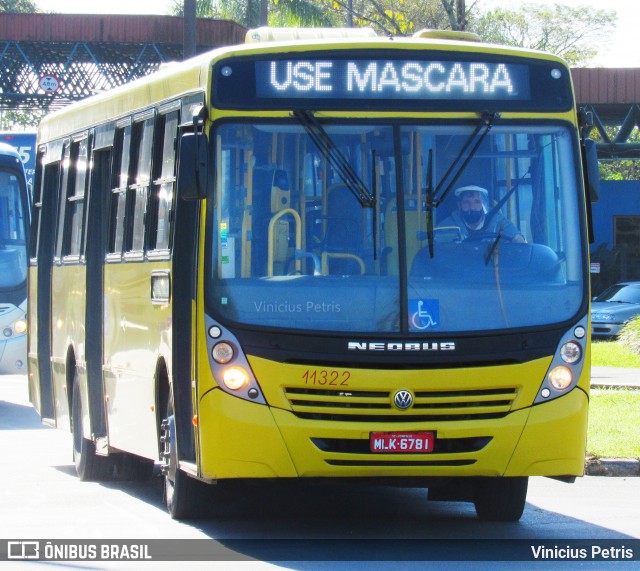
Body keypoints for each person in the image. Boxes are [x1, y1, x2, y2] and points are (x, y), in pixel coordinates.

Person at [437, 185, 526, 243]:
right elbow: (437, 251)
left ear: (484, 205)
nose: (472, 207)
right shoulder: (447, 226)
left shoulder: (500, 223)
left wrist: (519, 240)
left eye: (477, 202)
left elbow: (520, 242)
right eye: (466, 202)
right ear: (459, 205)